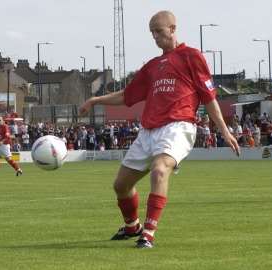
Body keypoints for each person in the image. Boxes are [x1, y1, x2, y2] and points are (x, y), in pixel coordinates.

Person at [79, 10, 240, 249]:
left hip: (178, 126)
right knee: (121, 185)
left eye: (159, 31)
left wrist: (224, 131)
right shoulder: (153, 66)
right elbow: (127, 95)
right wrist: (95, 100)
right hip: (148, 130)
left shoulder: (191, 56)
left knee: (160, 168)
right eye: (152, 32)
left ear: (173, 29)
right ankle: (133, 226)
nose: (155, 36)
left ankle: (149, 232)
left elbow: (209, 97)